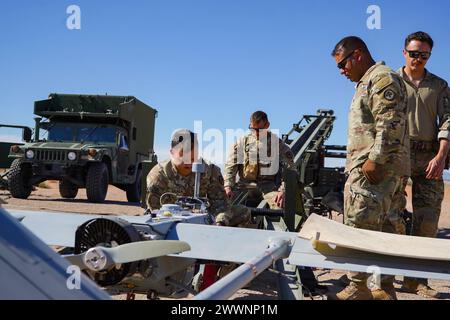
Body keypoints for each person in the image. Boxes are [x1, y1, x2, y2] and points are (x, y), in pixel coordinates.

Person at [331, 36, 410, 300]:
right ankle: (382, 288)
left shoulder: (381, 78)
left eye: (343, 64)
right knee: (384, 229)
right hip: (374, 171)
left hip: (373, 172)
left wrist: (374, 160)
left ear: (358, 55)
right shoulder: (367, 82)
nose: (341, 71)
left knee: (359, 227)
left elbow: (390, 123)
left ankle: (359, 287)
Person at [394, 31, 450, 299]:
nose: (418, 59)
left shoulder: (439, 85)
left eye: (424, 55)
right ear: (404, 52)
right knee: (390, 218)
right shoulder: (390, 82)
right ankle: (380, 278)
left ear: (429, 56)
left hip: (429, 157)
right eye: (414, 53)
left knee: (427, 222)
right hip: (397, 155)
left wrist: (440, 157)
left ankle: (415, 281)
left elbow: (448, 121)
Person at [146, 129, 251, 227]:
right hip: (170, 222)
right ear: (172, 152)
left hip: (204, 221)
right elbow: (154, 211)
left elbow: (220, 205)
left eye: (193, 157)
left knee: (243, 212)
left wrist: (219, 223)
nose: (188, 161)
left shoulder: (210, 171)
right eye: (183, 155)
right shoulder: (158, 176)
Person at [224, 111, 295, 209]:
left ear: (267, 125)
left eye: (260, 129)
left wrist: (283, 190)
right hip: (244, 186)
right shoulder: (242, 142)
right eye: (253, 129)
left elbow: (290, 169)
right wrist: (228, 186)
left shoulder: (277, 144)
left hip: (267, 187)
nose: (256, 133)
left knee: (280, 206)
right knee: (224, 205)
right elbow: (231, 165)